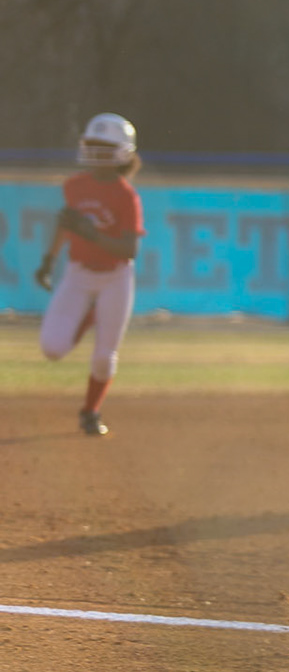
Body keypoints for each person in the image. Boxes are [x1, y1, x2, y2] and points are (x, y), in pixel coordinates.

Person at [37, 114, 144, 437]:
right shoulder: (75, 186)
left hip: (115, 277)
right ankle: (89, 314)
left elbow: (129, 249)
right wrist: (48, 261)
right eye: (93, 145)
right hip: (79, 273)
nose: (97, 153)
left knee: (103, 358)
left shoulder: (127, 196)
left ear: (123, 151)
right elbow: (65, 224)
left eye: (105, 147)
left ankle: (90, 412)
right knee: (52, 348)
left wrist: (92, 234)